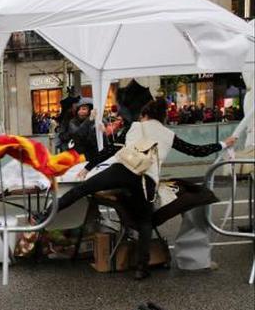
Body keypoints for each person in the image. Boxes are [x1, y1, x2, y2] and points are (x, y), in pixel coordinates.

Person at [49, 98, 235, 280]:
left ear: (144, 114)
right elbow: (196, 151)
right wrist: (223, 144)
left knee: (81, 190)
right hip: (146, 179)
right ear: (162, 117)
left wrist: (88, 167)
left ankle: (44, 216)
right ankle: (141, 268)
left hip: (121, 170)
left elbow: (110, 150)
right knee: (145, 221)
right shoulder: (168, 134)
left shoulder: (134, 126)